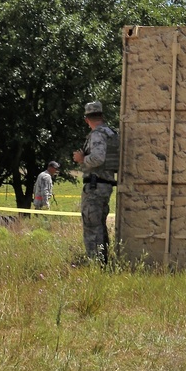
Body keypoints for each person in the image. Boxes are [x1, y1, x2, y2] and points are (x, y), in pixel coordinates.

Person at [73, 99, 118, 263]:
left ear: (87, 119)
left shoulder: (97, 134)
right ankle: (103, 261)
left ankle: (96, 263)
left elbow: (98, 158)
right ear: (102, 115)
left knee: (92, 227)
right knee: (99, 225)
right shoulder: (111, 133)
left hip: (94, 186)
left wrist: (82, 158)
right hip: (105, 185)